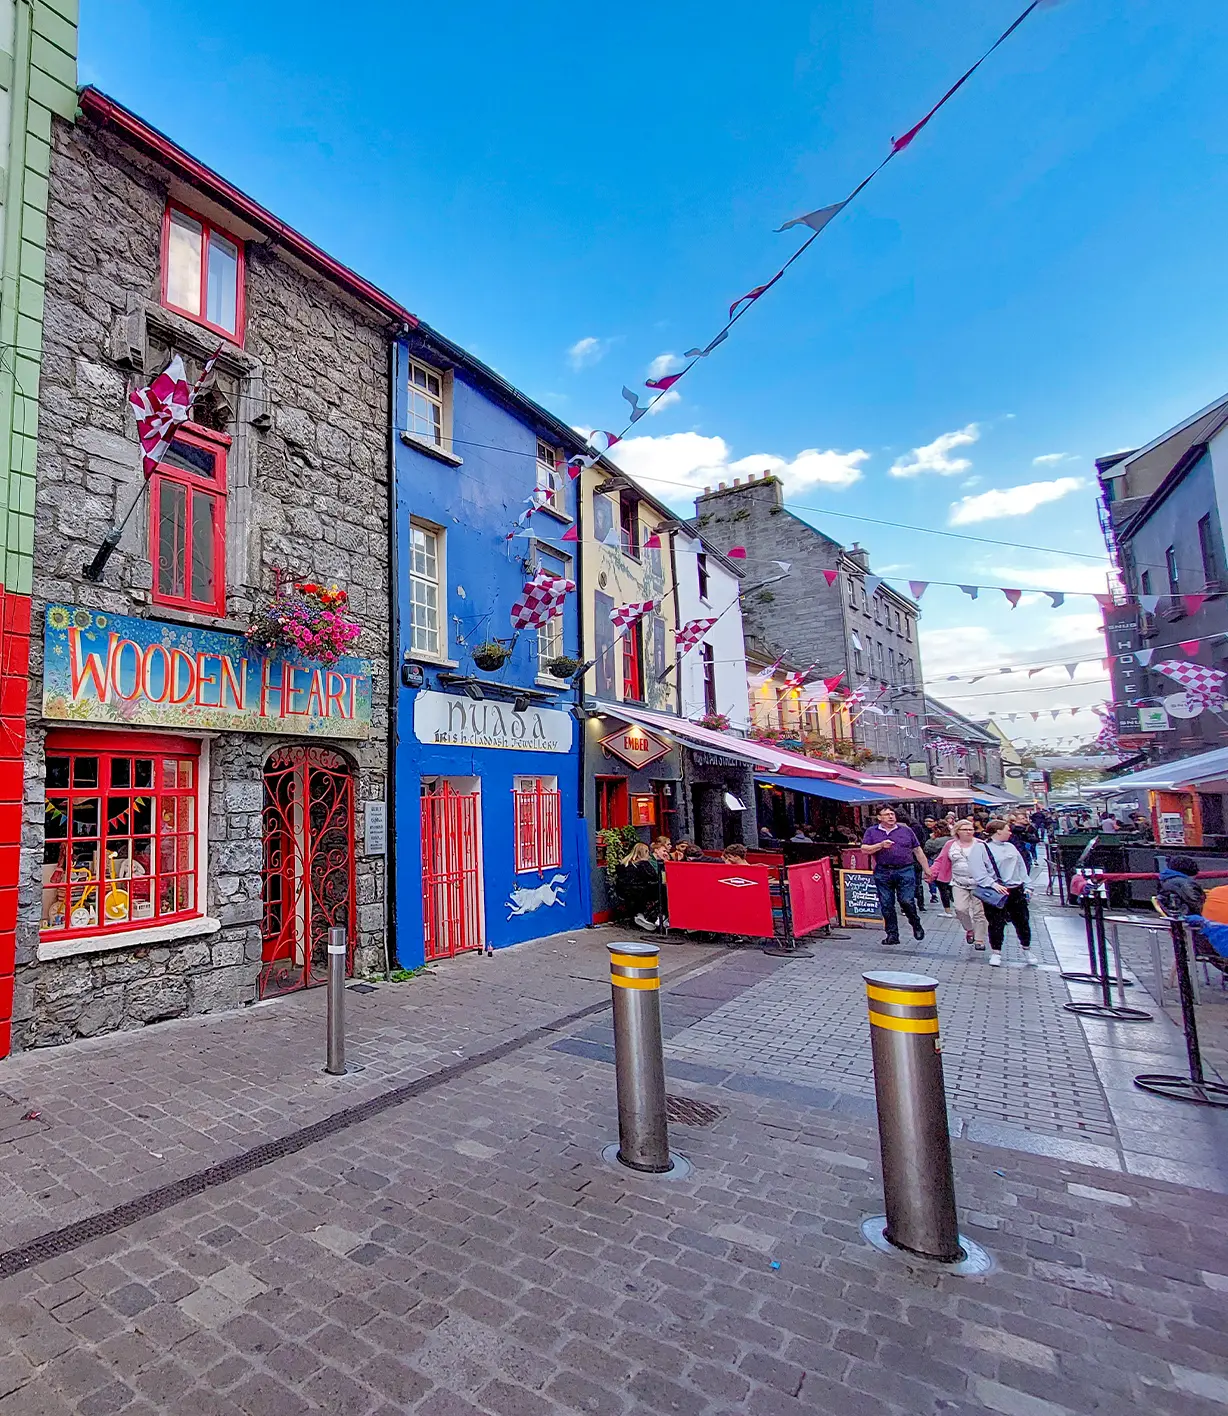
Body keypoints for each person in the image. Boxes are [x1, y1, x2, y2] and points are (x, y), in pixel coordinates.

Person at [861, 805, 929, 948]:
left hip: (905, 869)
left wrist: (927, 870)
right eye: (886, 814)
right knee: (886, 904)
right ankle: (892, 934)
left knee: (906, 901)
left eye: (892, 814)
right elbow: (864, 849)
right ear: (879, 818)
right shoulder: (872, 831)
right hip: (883, 871)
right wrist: (880, 845)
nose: (891, 817)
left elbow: (917, 850)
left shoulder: (906, 830)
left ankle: (915, 923)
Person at [973, 818, 1036, 967]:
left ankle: (1026, 948)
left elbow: (1021, 866)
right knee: (996, 922)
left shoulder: (1011, 847)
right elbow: (978, 870)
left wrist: (1027, 884)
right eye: (1007, 829)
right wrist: (992, 884)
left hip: (1016, 889)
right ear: (998, 831)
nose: (1010, 832)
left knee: (1022, 921)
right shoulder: (981, 848)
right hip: (996, 891)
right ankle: (996, 952)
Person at [942, 818, 990, 952]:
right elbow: (942, 861)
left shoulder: (981, 844)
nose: (969, 832)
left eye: (971, 829)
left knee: (979, 912)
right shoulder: (950, 845)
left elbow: (990, 863)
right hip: (959, 882)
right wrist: (931, 873)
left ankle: (979, 939)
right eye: (965, 829)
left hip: (979, 883)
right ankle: (970, 929)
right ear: (958, 831)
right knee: (960, 909)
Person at [616, 843, 664, 931]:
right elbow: (654, 877)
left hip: (624, 891)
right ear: (645, 852)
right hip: (640, 891)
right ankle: (661, 916)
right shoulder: (643, 864)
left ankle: (639, 915)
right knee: (663, 891)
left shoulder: (625, 863)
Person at [924, 822, 954, 915]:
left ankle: (947, 910)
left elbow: (927, 849)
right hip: (952, 865)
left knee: (943, 888)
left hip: (938, 864)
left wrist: (931, 838)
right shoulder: (953, 840)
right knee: (951, 888)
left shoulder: (935, 841)